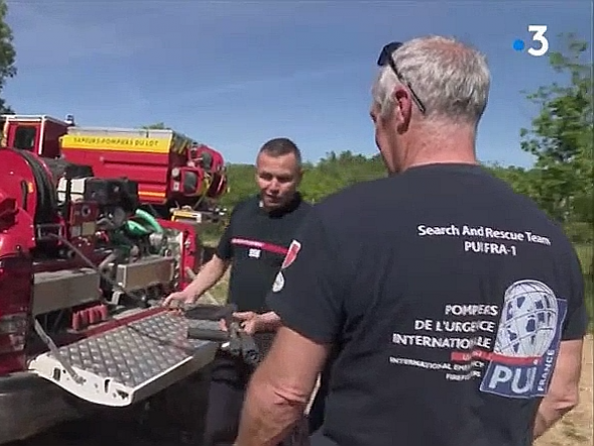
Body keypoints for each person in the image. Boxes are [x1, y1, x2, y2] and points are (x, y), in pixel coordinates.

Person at [234, 35, 588, 446]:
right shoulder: (550, 240)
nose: (377, 137)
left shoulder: (342, 220)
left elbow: (283, 394)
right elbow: (561, 392)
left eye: (375, 119)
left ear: (400, 107)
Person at [162, 137, 312, 446]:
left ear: (299, 177)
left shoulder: (311, 223)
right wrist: (190, 291)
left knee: (272, 431)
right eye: (265, 176)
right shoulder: (243, 211)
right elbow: (219, 261)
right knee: (219, 425)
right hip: (232, 336)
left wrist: (266, 321)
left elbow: (313, 292)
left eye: (283, 179)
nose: (272, 185)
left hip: (279, 346)